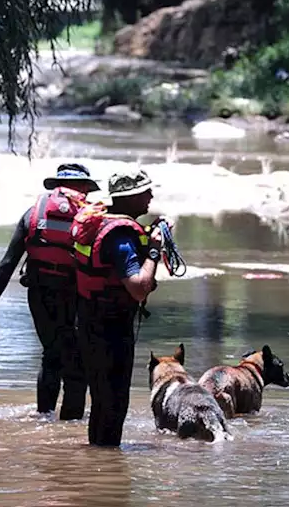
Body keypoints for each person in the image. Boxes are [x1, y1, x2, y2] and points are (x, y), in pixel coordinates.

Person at [0, 163, 99, 419]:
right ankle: (70, 431)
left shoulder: (33, 214)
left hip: (41, 295)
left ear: (56, 187)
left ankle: (44, 419)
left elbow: (7, 264)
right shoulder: (91, 218)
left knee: (51, 355)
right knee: (76, 365)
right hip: (75, 296)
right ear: (83, 188)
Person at [69, 169, 163, 447]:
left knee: (101, 399)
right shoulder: (121, 236)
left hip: (88, 319)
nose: (151, 196)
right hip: (111, 327)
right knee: (114, 402)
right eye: (146, 192)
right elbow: (138, 286)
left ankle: (95, 460)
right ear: (131, 197)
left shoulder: (100, 222)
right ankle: (106, 470)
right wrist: (155, 249)